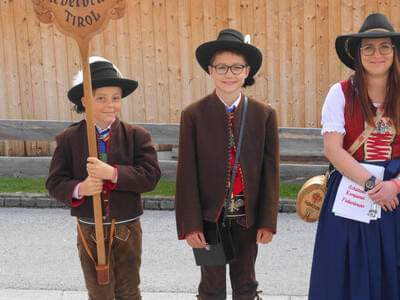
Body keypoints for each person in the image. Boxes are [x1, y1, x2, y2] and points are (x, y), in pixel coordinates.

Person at [175, 29, 280, 300]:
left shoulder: (264, 115)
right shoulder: (193, 115)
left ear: (247, 71)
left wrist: (267, 221)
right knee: (211, 286)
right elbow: (186, 175)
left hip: (248, 217)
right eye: (221, 67)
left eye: (236, 67)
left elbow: (270, 172)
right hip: (209, 218)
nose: (229, 74)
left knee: (246, 283)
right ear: (210, 70)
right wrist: (191, 224)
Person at [46, 56, 161, 300]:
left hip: (127, 227)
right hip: (89, 229)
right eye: (101, 98)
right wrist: (80, 188)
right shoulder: (68, 139)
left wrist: (114, 174)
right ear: (85, 100)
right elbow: (54, 183)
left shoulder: (137, 136)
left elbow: (150, 176)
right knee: (99, 292)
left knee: (129, 291)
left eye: (116, 98)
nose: (110, 105)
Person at [308, 13, 400, 300]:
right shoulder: (340, 93)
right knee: (345, 270)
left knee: (392, 268)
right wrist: (372, 185)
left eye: (384, 46)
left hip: (396, 194)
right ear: (358, 54)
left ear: (394, 52)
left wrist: (394, 187)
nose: (377, 54)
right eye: (368, 48)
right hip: (352, 190)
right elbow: (333, 149)